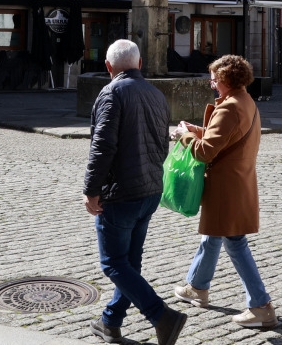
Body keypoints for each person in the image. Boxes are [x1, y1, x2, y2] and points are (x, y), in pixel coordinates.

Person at [83, 39, 186, 345]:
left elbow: (102, 146)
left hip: (122, 193)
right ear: (140, 64)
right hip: (150, 189)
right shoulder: (156, 93)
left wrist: (91, 189)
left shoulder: (112, 92)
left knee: (114, 263)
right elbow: (160, 144)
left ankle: (162, 315)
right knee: (130, 261)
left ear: (108, 67)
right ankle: (110, 322)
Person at [171, 55, 279, 329]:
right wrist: (195, 129)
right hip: (236, 182)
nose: (212, 84)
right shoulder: (245, 101)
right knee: (214, 236)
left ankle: (261, 305)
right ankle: (197, 286)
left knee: (234, 241)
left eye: (214, 79)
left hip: (226, 186)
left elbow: (205, 151)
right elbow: (223, 137)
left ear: (226, 81)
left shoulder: (229, 107)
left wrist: (184, 137)